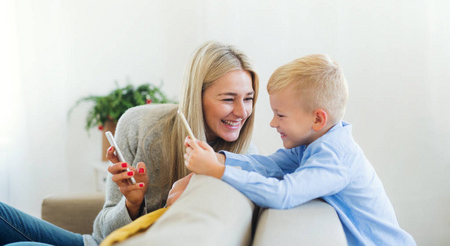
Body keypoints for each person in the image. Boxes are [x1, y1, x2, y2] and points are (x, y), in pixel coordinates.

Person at [0, 41, 259, 246]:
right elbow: (100, 233)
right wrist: (131, 205)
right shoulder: (140, 124)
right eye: (228, 99)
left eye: (248, 98)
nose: (242, 111)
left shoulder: (243, 163)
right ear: (195, 97)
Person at [184, 54, 416, 245]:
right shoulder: (312, 144)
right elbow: (269, 165)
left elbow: (283, 194)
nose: (273, 123)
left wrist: (217, 170)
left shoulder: (334, 156)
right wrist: (219, 158)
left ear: (317, 119)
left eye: (281, 115)